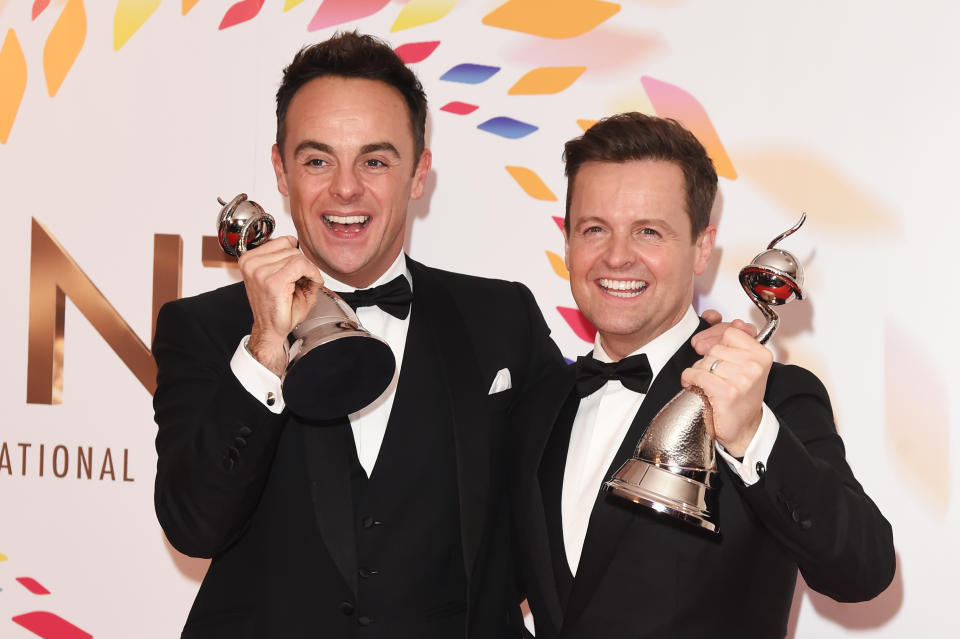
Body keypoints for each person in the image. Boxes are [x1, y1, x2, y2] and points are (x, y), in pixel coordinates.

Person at [151, 32, 566, 638]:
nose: (346, 189)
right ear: (281, 171)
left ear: (419, 173)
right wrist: (266, 345)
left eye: (375, 160)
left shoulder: (502, 317)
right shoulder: (204, 328)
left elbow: (569, 496)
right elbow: (194, 525)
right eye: (318, 160)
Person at [510, 112, 895, 638]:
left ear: (701, 247)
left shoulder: (774, 396)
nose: (617, 256)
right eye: (595, 229)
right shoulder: (539, 401)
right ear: (568, 244)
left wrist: (750, 431)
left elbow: (862, 570)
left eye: (649, 231)